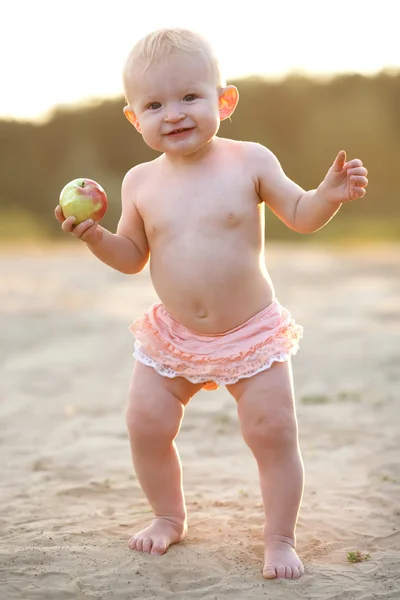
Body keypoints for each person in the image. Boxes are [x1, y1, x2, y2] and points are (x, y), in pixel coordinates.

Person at [54, 28, 368, 580]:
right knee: (145, 423)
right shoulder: (139, 182)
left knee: (273, 430)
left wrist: (327, 197)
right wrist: (95, 237)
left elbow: (299, 212)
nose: (173, 114)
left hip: (251, 331)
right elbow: (132, 257)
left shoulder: (249, 161)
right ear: (134, 118)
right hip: (174, 334)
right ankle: (167, 516)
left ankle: (278, 537)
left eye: (190, 97)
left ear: (224, 100)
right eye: (154, 104)